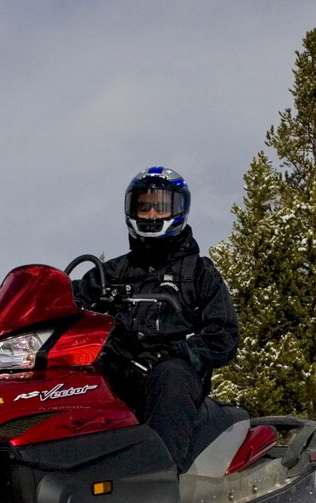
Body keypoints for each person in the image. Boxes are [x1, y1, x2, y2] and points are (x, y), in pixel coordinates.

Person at [73, 166, 240, 472]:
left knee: (170, 377)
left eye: (160, 206)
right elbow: (66, 302)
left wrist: (179, 351)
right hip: (117, 367)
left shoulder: (199, 273)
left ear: (178, 210)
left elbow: (224, 336)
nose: (150, 213)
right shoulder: (108, 273)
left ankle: (160, 483)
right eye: (143, 205)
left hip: (170, 374)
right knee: (68, 380)